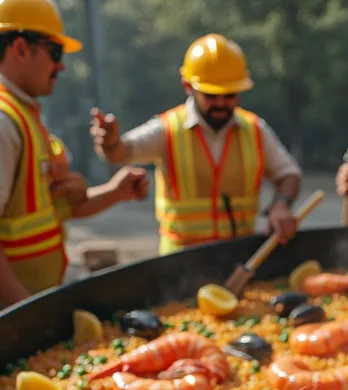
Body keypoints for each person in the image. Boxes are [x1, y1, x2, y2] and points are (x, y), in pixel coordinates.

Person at [90, 33, 302, 254]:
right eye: (211, 95)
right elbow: (122, 152)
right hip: (180, 264)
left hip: (240, 257)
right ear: (187, 86)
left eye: (229, 95)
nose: (221, 103)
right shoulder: (167, 129)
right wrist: (110, 143)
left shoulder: (256, 130)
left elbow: (288, 174)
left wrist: (281, 205)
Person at [0, 0, 149, 307]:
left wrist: (115, 191)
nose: (61, 65)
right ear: (20, 48)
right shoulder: (4, 122)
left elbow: (56, 212)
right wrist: (27, 315)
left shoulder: (26, 118)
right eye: (55, 52)